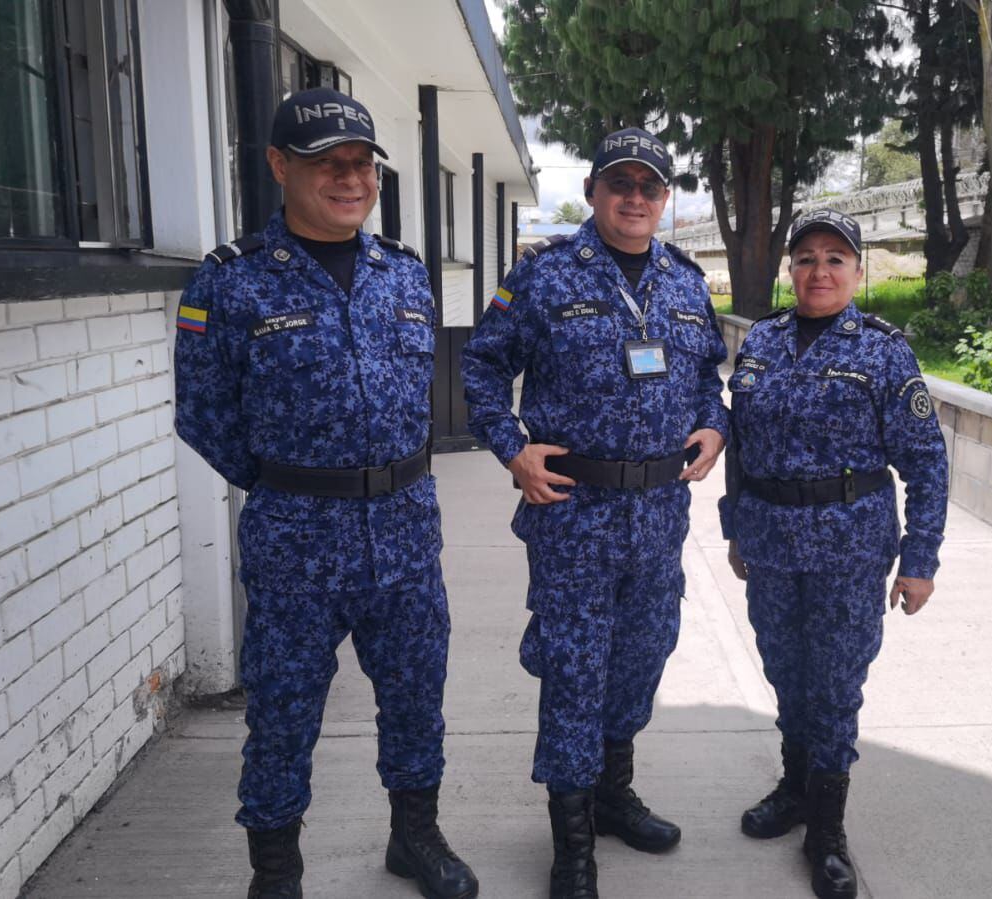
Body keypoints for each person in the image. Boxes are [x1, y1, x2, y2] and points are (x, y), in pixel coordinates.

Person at [174, 88, 477, 899]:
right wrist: (292, 484)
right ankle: (275, 870)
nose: (350, 179)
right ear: (279, 166)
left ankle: (415, 836)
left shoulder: (405, 272)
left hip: (407, 532)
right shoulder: (231, 282)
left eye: (360, 164)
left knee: (416, 699)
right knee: (281, 714)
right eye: (326, 164)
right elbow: (204, 416)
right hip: (296, 540)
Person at [461, 126, 728, 899]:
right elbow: (481, 365)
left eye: (649, 186)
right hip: (573, 513)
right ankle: (571, 841)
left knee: (642, 658)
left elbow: (709, 379)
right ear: (594, 193)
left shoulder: (682, 281)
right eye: (621, 184)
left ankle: (613, 792)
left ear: (663, 197)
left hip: (657, 514)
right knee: (575, 671)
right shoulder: (542, 277)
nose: (635, 198)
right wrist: (511, 445)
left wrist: (716, 423)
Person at [718, 209, 949, 899]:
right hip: (770, 544)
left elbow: (926, 463)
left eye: (835, 259)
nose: (819, 271)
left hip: (848, 549)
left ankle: (826, 829)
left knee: (835, 685)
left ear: (856, 270)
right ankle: (794, 787)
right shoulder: (759, 341)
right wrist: (736, 527)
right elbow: (741, 448)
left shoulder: (882, 350)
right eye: (806, 258)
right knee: (784, 670)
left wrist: (919, 558)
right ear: (790, 268)